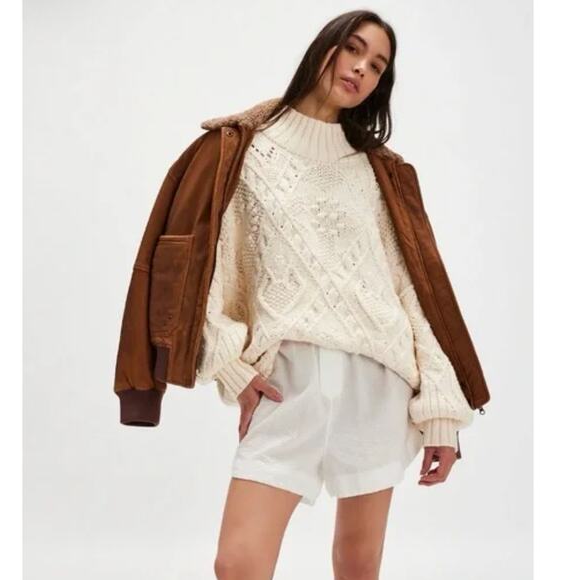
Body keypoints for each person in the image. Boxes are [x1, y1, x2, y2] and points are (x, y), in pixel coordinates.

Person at [188, 9, 477, 580]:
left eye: (378, 66)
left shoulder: (377, 171)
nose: (362, 69)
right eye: (354, 49)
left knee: (357, 563)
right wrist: (231, 367)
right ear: (326, 47)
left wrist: (441, 414)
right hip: (287, 384)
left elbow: (410, 292)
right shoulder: (242, 151)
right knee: (238, 563)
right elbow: (208, 273)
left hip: (377, 384)